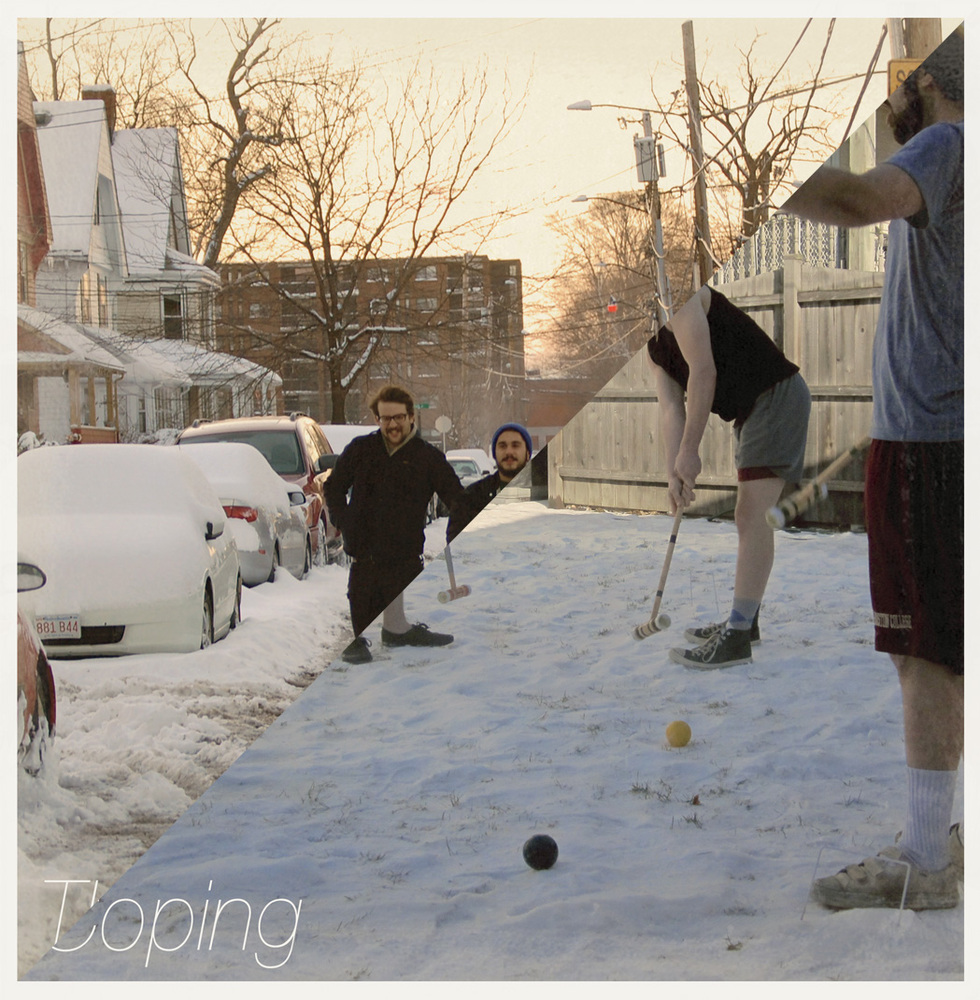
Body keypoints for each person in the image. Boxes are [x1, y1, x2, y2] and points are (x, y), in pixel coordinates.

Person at [783, 31, 964, 910]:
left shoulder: (947, 142)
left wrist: (774, 181)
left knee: (927, 655)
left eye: (904, 81)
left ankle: (929, 859)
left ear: (926, 82)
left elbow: (858, 200)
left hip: (933, 442)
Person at [648, 284, 811, 669]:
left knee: (751, 516)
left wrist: (691, 451)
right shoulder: (654, 346)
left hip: (775, 397)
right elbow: (672, 407)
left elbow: (704, 373)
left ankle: (737, 636)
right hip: (753, 409)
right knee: (750, 518)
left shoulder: (682, 299)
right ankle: (746, 622)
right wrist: (673, 471)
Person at [326, 385, 464, 664]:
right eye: (385, 418)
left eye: (398, 417)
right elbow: (333, 487)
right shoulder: (361, 450)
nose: (392, 424)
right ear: (377, 419)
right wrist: (344, 521)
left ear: (411, 417)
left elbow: (457, 497)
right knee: (360, 629)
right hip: (365, 552)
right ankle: (361, 641)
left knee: (398, 594)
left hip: (405, 551)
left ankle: (398, 632)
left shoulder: (427, 457)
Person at [447, 423, 533, 542]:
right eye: (502, 446)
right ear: (494, 454)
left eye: (515, 445)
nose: (509, 452)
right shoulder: (469, 499)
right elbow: (456, 547)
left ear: (528, 453)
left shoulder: (544, 494)